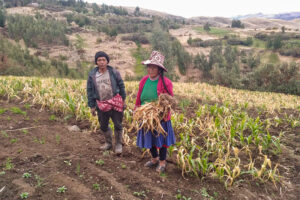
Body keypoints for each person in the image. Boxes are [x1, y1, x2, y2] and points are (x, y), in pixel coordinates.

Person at [135, 50, 176, 173]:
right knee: (149, 138)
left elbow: (171, 101)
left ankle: (162, 161)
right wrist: (136, 109)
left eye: (154, 68)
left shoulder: (166, 82)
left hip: (160, 118)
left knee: (162, 140)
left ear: (159, 70)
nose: (151, 70)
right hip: (145, 115)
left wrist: (161, 111)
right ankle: (154, 158)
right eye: (149, 67)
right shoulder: (144, 80)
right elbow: (139, 96)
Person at [87, 51, 126, 154]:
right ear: (96, 62)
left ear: (107, 61)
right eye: (99, 60)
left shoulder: (113, 72)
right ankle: (108, 143)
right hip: (101, 104)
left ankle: (118, 144)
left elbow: (121, 85)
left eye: (104, 60)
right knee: (103, 125)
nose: (102, 62)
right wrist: (92, 106)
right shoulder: (92, 75)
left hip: (115, 102)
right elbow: (90, 90)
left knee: (118, 124)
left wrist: (123, 100)